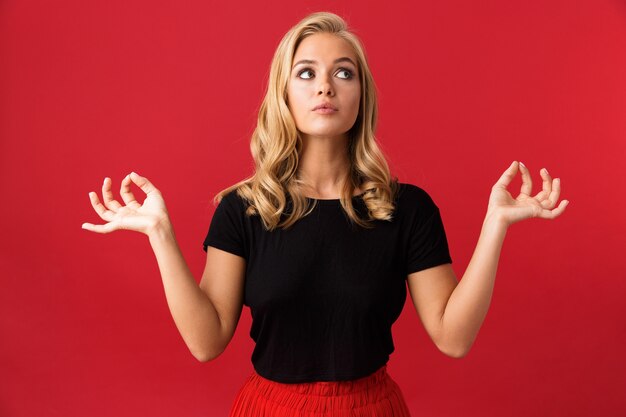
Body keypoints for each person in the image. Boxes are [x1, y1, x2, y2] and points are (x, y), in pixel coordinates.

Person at [81, 11, 569, 417]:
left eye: (343, 72)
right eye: (307, 72)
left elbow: (453, 338)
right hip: (269, 408)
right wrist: (160, 234)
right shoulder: (244, 209)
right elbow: (207, 342)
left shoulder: (407, 209)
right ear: (285, 95)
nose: (325, 88)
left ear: (361, 97)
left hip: (373, 408)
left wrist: (495, 226)